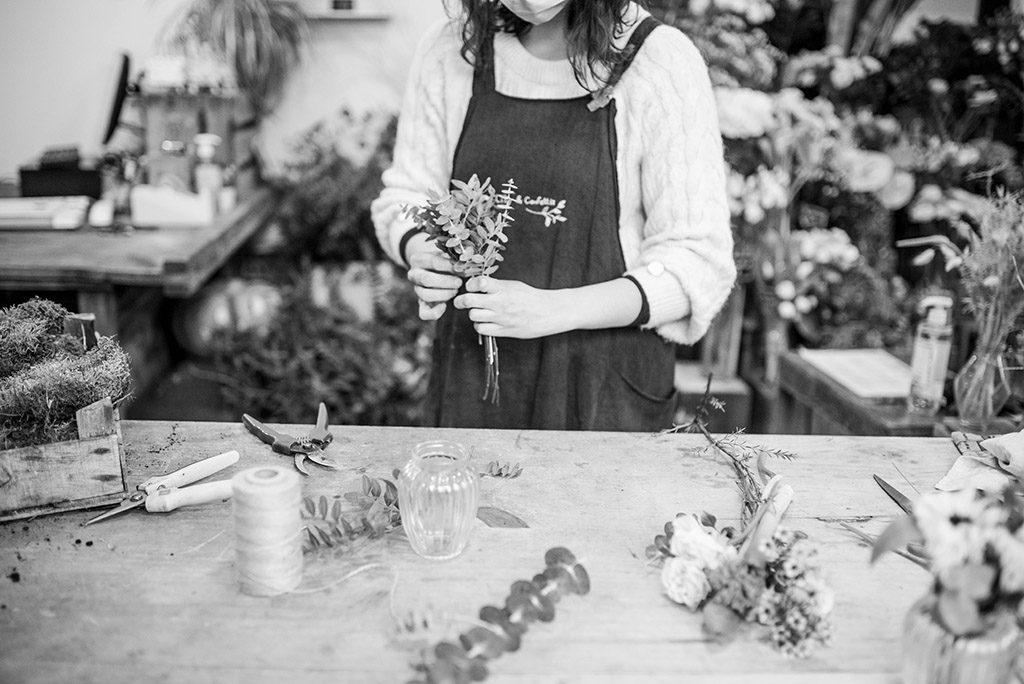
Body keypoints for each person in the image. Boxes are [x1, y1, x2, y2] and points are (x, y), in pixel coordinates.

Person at [371, 0, 735, 431]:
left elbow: (697, 261)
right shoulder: (450, 51)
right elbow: (405, 196)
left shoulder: (660, 61)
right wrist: (424, 251)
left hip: (604, 393)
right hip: (472, 380)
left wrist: (555, 310)